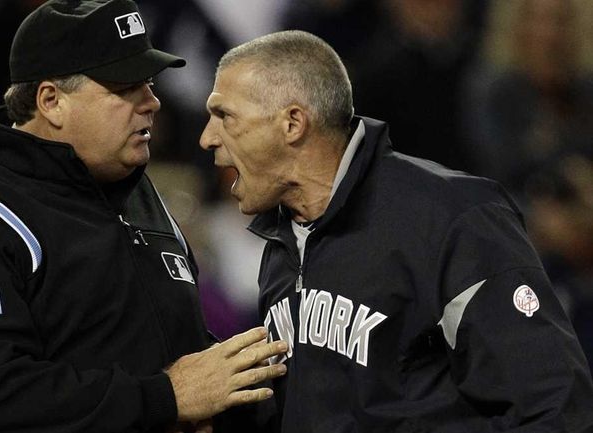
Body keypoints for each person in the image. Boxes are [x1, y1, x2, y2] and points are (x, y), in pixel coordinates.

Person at [0, 1, 288, 432]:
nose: (152, 102)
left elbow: (179, 362)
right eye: (126, 87)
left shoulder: (140, 198)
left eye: (148, 83)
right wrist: (166, 398)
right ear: (51, 101)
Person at [199, 30, 593, 432]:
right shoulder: (282, 243)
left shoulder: (451, 217)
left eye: (225, 117)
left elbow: (555, 409)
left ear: (293, 123)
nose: (207, 138)